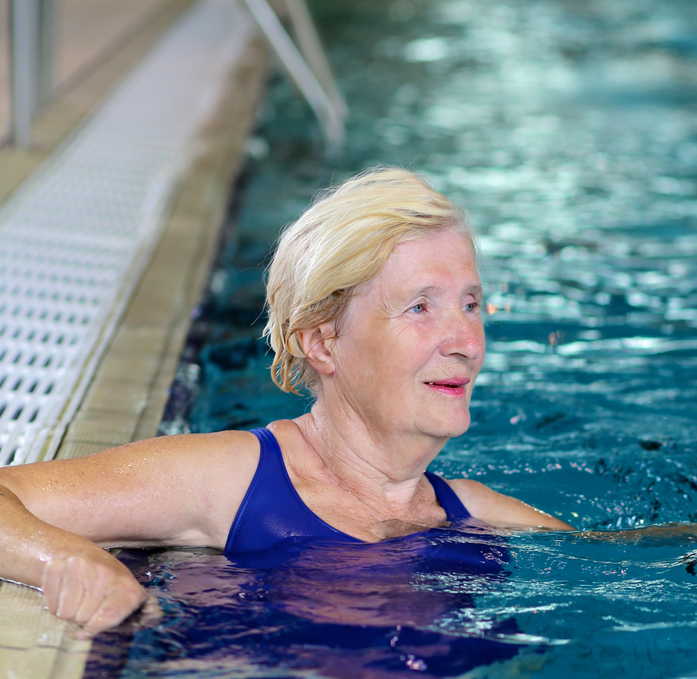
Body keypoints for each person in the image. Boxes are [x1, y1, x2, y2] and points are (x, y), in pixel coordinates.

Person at [0, 168, 570, 637]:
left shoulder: (475, 514)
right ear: (323, 342)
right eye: (420, 308)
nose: (468, 344)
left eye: (471, 305)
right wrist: (68, 559)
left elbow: (646, 564)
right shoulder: (232, 481)